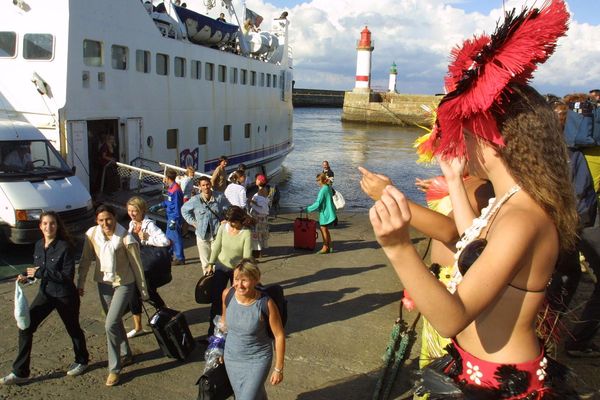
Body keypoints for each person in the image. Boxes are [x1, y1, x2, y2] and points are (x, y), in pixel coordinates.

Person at [364, 2, 579, 397]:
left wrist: (397, 248)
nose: (460, 140)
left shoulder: (522, 217)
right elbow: (471, 240)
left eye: (466, 130)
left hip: (499, 380)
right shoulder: (511, 201)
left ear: (492, 138)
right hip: (478, 367)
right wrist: (451, 178)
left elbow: (452, 317)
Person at [0, 212, 89, 385]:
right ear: (40, 226)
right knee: (25, 326)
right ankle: (21, 371)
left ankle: (82, 360)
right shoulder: (39, 245)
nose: (49, 227)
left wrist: (39, 273)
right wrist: (27, 276)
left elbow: (67, 276)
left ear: (57, 226)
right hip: (46, 293)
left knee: (73, 329)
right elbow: (37, 269)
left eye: (53, 223)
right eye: (46, 224)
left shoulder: (65, 246)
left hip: (65, 296)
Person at [78, 205, 149, 387]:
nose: (105, 223)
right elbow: (86, 259)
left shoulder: (126, 238)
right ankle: (126, 354)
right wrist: (81, 282)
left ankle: (114, 368)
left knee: (109, 324)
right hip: (104, 283)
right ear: (96, 221)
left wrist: (143, 290)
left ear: (115, 218)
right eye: (101, 220)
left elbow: (137, 266)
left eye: (108, 219)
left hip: (124, 283)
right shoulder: (92, 234)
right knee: (115, 321)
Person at [223, 259, 285, 400]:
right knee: (247, 395)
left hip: (257, 360)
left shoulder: (266, 304)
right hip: (232, 358)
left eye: (244, 280)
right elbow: (223, 323)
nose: (239, 285)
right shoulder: (227, 294)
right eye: (236, 279)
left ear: (256, 280)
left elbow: (279, 335)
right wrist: (218, 347)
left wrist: (278, 368)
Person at [125, 196, 171, 339]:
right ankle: (161, 313)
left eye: (135, 210)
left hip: (152, 267)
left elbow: (165, 241)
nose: (132, 213)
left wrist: (147, 238)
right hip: (141, 265)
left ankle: (163, 313)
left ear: (142, 211)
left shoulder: (149, 225)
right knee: (141, 291)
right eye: (129, 210)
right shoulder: (132, 224)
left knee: (141, 290)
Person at [206, 206, 253, 335]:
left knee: (236, 299)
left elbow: (247, 257)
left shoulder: (246, 233)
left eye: (234, 222)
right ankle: (212, 332)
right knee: (216, 299)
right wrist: (210, 263)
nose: (232, 225)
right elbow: (216, 246)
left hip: (237, 271)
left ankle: (233, 331)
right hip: (221, 266)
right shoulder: (223, 228)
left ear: (240, 220)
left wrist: (241, 275)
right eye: (230, 222)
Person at [181, 176, 230, 274]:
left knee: (217, 261)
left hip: (216, 234)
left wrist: (226, 219)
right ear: (199, 187)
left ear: (210, 185)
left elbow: (229, 210)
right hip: (201, 235)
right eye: (203, 185)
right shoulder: (195, 200)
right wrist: (193, 222)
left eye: (207, 184)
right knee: (205, 264)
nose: (206, 187)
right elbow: (184, 210)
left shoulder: (219, 197)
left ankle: (217, 281)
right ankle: (208, 282)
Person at [153, 169, 185, 265]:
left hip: (174, 217)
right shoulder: (172, 188)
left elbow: (177, 205)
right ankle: (168, 255)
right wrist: (160, 205)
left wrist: (174, 220)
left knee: (175, 237)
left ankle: (180, 258)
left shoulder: (175, 190)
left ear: (167, 178)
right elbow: (170, 202)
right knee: (168, 237)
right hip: (170, 216)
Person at [305, 173, 336, 254]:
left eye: (319, 180)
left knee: (323, 228)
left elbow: (318, 203)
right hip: (329, 210)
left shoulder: (323, 190)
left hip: (325, 212)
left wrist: (308, 209)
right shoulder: (328, 187)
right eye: (317, 180)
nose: (318, 182)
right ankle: (330, 245)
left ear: (323, 180)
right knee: (325, 229)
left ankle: (325, 247)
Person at [250, 174, 270, 258]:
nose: (256, 181)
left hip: (257, 216)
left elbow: (258, 204)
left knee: (256, 233)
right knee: (262, 233)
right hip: (264, 217)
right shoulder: (266, 190)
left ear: (260, 181)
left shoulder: (258, 193)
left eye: (257, 179)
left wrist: (250, 200)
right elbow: (265, 204)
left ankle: (256, 251)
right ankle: (260, 250)